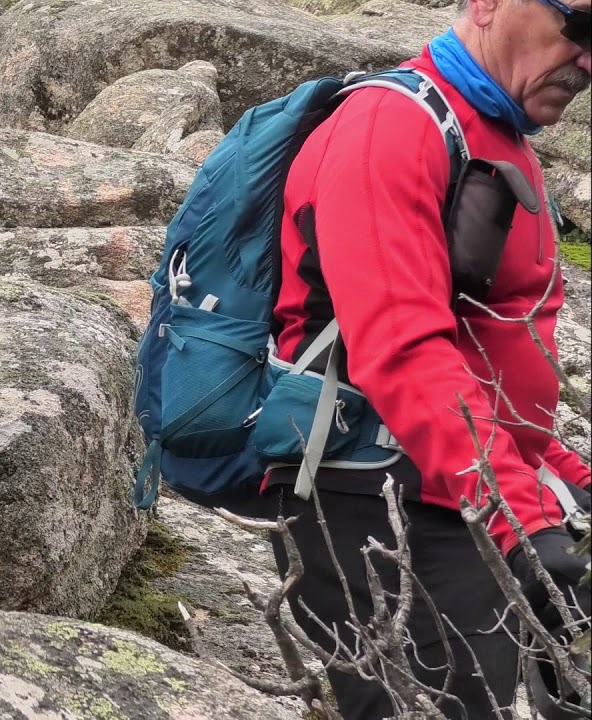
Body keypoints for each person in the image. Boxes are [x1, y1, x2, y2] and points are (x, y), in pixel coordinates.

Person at [262, 0, 591, 717]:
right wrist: (528, 524)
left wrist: (563, 476)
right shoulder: (393, 126)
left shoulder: (502, 135)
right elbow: (401, 350)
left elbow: (483, 355)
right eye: (582, 25)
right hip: (376, 507)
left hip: (457, 492)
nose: (590, 62)